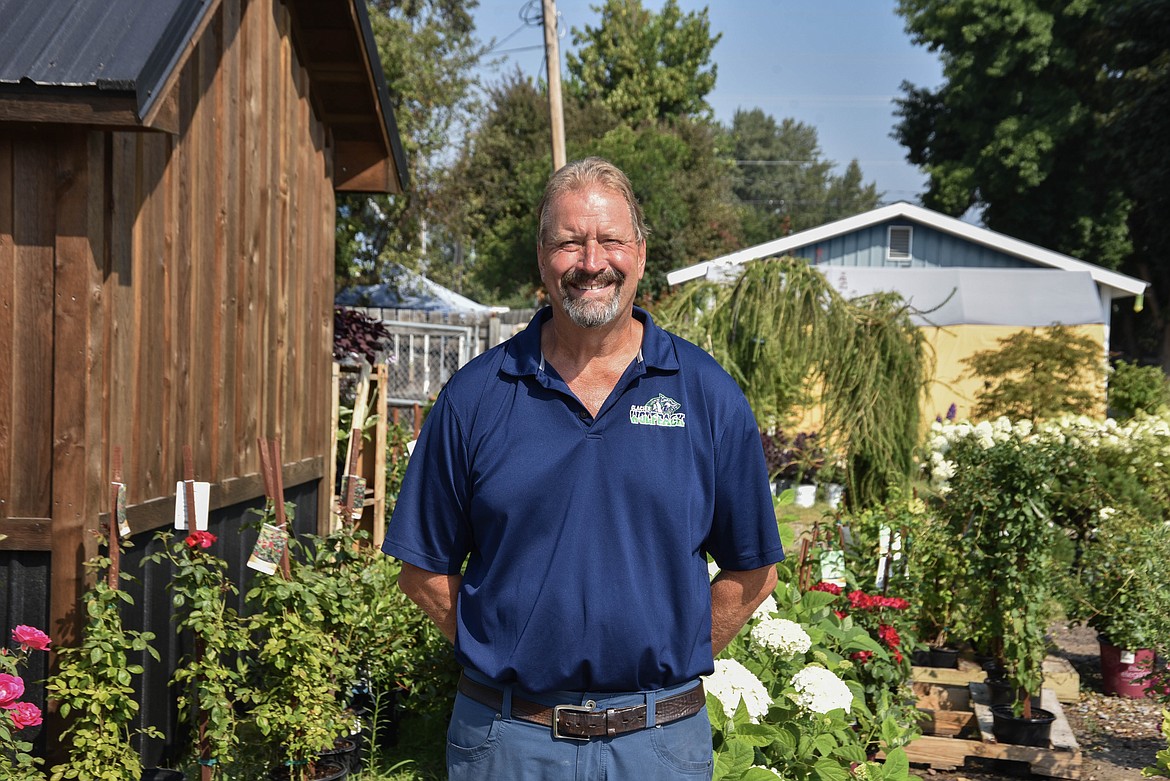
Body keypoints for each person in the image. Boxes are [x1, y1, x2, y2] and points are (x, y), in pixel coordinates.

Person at [381, 157, 783, 780]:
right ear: (542, 258)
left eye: (611, 240)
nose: (592, 261)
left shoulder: (705, 396)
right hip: (509, 744)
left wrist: (674, 657)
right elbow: (422, 567)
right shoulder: (478, 396)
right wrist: (498, 650)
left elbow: (754, 569)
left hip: (657, 747)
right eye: (570, 242)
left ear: (640, 253)